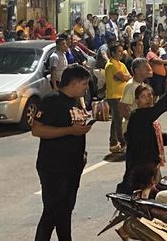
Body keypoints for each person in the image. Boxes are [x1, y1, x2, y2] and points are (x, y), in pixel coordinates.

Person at [31, 64, 92, 241]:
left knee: (65, 211)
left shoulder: (76, 100)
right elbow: (37, 130)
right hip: (54, 167)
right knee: (51, 212)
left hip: (73, 166)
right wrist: (69, 131)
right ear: (73, 83)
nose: (86, 88)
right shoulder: (52, 100)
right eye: (84, 84)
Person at [119, 83, 167, 194]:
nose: (147, 99)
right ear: (137, 100)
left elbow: (152, 134)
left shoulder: (148, 117)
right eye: (143, 96)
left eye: (149, 95)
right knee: (142, 194)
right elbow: (162, 106)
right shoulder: (138, 115)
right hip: (140, 165)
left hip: (151, 164)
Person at [105, 43, 132, 153]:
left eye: (122, 51)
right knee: (119, 120)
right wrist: (123, 77)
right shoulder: (111, 65)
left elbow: (128, 76)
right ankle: (122, 142)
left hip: (122, 95)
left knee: (116, 120)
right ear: (112, 53)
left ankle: (113, 142)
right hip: (114, 96)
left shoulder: (121, 64)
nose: (121, 53)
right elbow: (123, 77)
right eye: (119, 52)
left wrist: (123, 77)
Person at [119, 58, 153, 134]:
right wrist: (135, 121)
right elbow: (122, 107)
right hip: (132, 129)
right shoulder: (131, 86)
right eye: (145, 67)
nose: (148, 69)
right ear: (137, 71)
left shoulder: (142, 84)